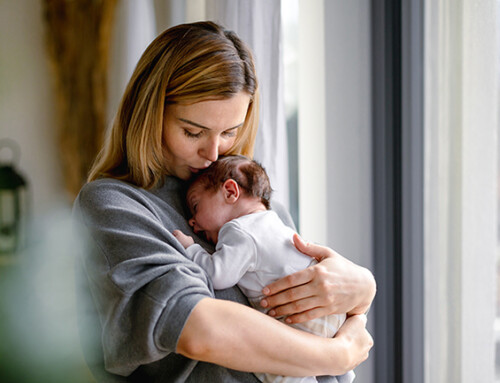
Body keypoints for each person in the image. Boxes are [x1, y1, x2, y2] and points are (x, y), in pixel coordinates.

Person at [73, 21, 375, 383]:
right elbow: (198, 327)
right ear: (150, 112)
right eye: (193, 132)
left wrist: (360, 291)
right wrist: (337, 355)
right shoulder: (114, 205)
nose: (213, 153)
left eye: (230, 132)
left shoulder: (255, 204)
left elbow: (312, 318)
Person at [172, 155, 356, 383]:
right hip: (326, 310)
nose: (192, 222)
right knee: (329, 365)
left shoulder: (239, 230)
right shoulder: (273, 221)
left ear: (230, 192)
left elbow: (216, 275)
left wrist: (192, 249)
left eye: (196, 206)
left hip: (298, 317)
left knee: (277, 367)